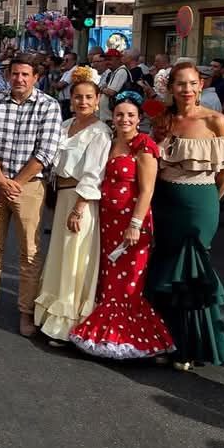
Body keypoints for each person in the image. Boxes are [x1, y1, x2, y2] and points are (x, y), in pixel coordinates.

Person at [148, 62, 224, 369]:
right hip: (164, 204)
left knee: (191, 272)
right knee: (163, 268)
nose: (186, 89)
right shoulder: (163, 120)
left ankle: (191, 346)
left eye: (191, 84)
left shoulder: (216, 120)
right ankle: (165, 339)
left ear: (200, 86)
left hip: (200, 204)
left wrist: (210, 202)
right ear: (171, 87)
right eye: (180, 84)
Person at [70, 92, 175, 360]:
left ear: (139, 119)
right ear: (112, 117)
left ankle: (129, 340)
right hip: (107, 223)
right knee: (108, 280)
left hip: (132, 226)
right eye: (119, 114)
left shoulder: (144, 146)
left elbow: (147, 190)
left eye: (130, 115)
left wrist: (135, 225)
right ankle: (106, 335)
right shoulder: (110, 141)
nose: (124, 119)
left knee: (127, 284)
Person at [0, 57, 64, 336]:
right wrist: (2, 180)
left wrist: (15, 183)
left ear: (35, 77)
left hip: (29, 187)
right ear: (7, 75)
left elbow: (45, 152)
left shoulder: (49, 106)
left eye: (25, 74)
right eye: (15, 74)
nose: (19, 79)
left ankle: (26, 310)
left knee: (30, 252)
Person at [33, 67, 110, 344]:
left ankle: (69, 323)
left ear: (98, 99)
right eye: (78, 97)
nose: (83, 102)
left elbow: (94, 174)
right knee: (60, 257)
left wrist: (79, 208)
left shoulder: (100, 132)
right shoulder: (64, 126)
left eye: (89, 97)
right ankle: (51, 316)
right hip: (62, 196)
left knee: (74, 257)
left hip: (81, 201)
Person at [51, 51, 78, 121]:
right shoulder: (67, 71)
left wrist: (55, 84)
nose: (65, 62)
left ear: (73, 61)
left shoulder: (74, 70)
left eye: (67, 60)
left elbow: (60, 85)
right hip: (64, 101)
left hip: (68, 101)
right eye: (64, 60)